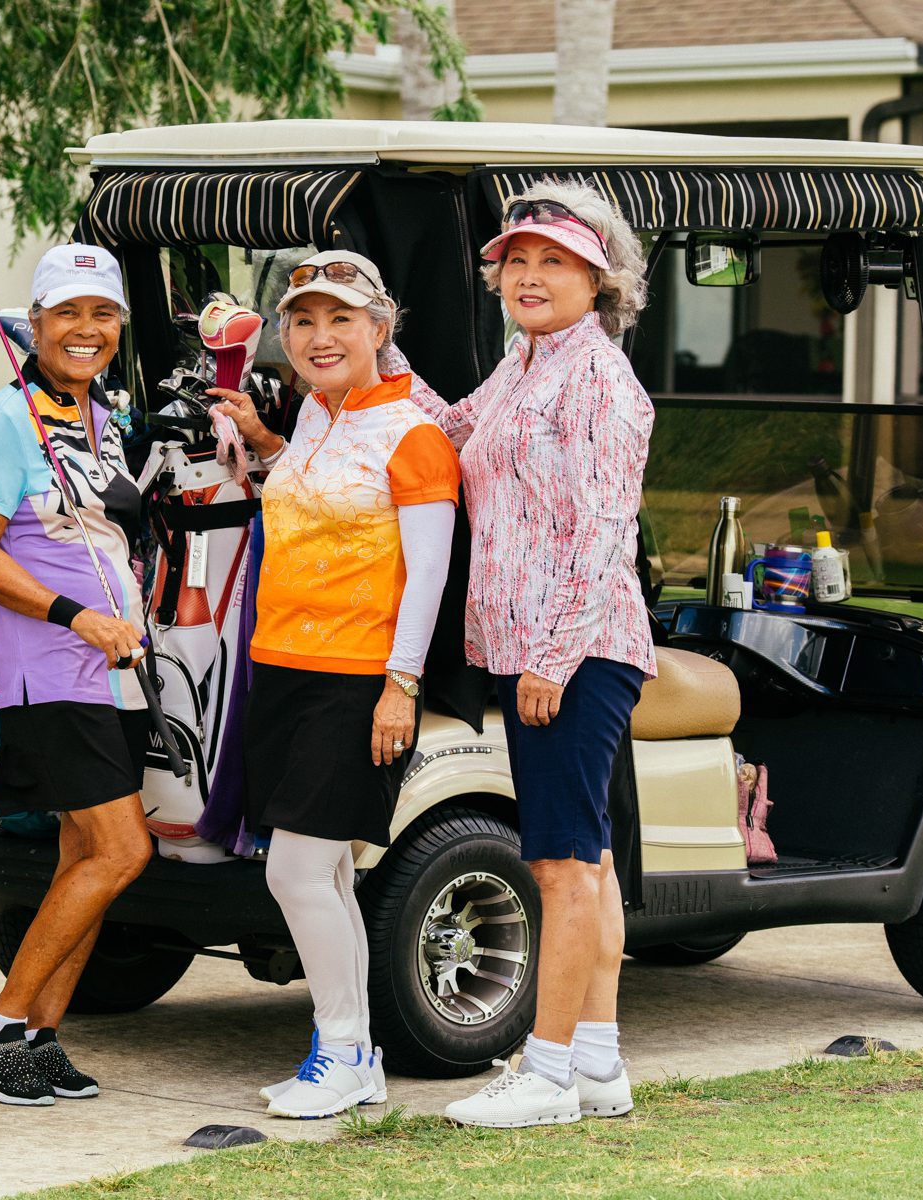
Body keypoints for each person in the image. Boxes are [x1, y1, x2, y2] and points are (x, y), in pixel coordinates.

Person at [393, 180, 655, 1128]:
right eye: (519, 261)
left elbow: (603, 535)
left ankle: (543, 1076)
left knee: (558, 867)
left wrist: (552, 659)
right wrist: (380, 353)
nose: (531, 276)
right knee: (590, 859)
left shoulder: (598, 381)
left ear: (601, 278)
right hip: (533, 645)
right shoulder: (528, 362)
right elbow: (457, 431)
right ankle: (597, 1064)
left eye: (556, 261)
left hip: (576, 649)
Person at [212, 250, 460, 1120]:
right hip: (280, 668)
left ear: (379, 330)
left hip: (358, 680)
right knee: (328, 877)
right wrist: (268, 444)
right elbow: (311, 496)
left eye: (340, 320)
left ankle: (346, 1050)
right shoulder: (317, 417)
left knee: (297, 871)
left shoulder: (414, 434)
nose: (320, 337)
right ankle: (350, 1052)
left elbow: (427, 574)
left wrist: (402, 685)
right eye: (303, 320)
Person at [0, 244, 153, 1107]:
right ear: (34, 323)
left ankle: (38, 1036)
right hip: (52, 675)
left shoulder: (102, 422)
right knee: (122, 850)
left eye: (102, 314)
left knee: (84, 855)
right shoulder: (7, 421)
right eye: (68, 312)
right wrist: (76, 617)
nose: (87, 330)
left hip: (119, 678)